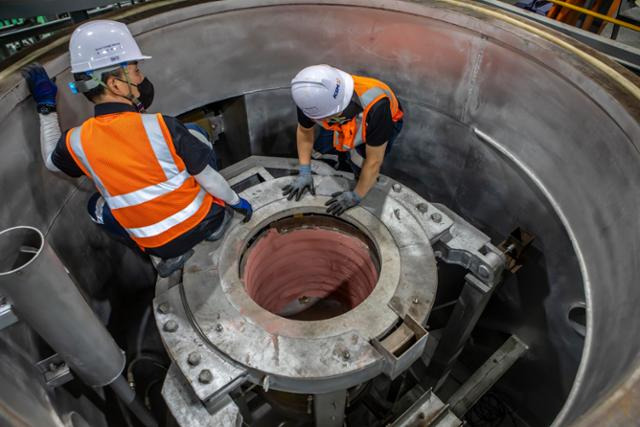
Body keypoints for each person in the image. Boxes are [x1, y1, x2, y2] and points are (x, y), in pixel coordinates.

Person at [22, 20, 252, 277]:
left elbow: (52, 162)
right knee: (196, 135)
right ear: (116, 85)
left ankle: (165, 255)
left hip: (162, 246)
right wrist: (236, 201)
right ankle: (219, 226)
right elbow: (209, 178)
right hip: (208, 220)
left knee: (95, 207)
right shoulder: (161, 126)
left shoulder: (77, 141)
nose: (141, 77)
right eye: (135, 71)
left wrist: (46, 106)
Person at [283, 64, 404, 215]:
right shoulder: (310, 98)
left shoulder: (378, 108)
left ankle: (358, 177)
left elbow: (374, 161)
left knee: (361, 160)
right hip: (342, 118)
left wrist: (356, 195)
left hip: (377, 121)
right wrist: (305, 171)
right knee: (322, 150)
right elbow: (304, 132)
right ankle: (339, 164)